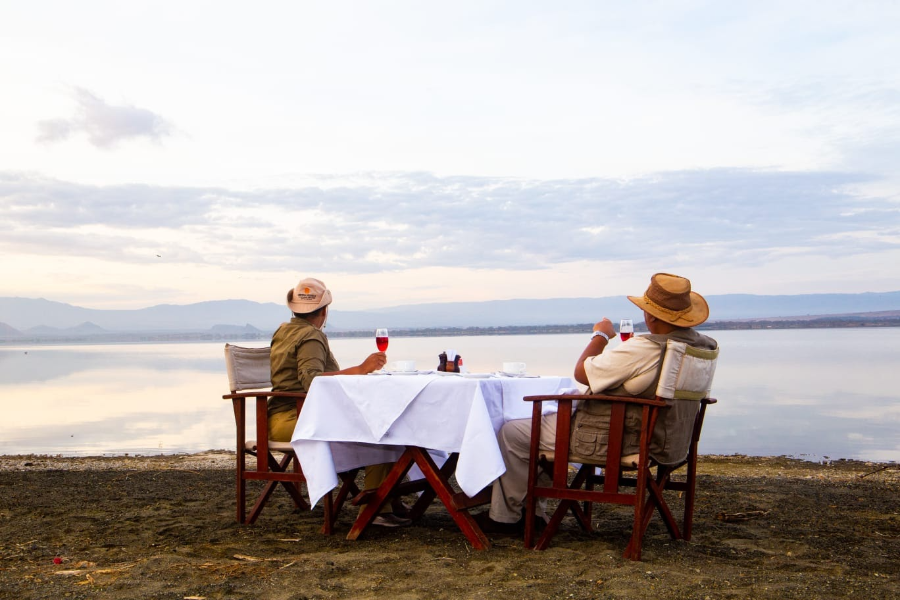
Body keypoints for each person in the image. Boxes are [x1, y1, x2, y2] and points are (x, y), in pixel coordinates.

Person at [479, 273, 719, 533]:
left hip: (618, 438)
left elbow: (582, 372)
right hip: (667, 440)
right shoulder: (699, 347)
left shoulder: (646, 349)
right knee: (543, 427)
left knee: (513, 432)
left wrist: (600, 336)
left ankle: (506, 516)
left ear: (650, 315)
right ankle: (533, 511)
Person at [269, 277, 410, 527]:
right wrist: (360, 369)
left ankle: (386, 497)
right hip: (296, 419)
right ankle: (376, 506)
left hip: (283, 417)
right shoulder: (311, 337)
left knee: (379, 423)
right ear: (324, 311)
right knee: (377, 429)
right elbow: (312, 381)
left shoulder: (285, 330)